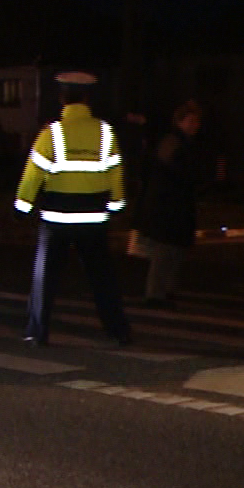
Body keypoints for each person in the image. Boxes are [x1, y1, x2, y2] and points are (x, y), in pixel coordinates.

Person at [14, 71, 133, 347]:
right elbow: (115, 172)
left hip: (56, 218)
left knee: (45, 279)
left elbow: (33, 175)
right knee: (102, 278)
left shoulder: (51, 134)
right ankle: (118, 331)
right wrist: (116, 205)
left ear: (62, 98)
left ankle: (38, 332)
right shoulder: (105, 132)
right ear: (88, 99)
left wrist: (22, 207)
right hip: (93, 218)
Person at [134, 100, 209, 307]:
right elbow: (172, 171)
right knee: (165, 250)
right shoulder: (173, 142)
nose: (194, 126)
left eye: (197, 122)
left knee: (175, 250)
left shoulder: (186, 143)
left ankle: (166, 290)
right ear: (179, 121)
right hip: (167, 204)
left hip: (176, 203)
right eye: (190, 121)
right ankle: (155, 294)